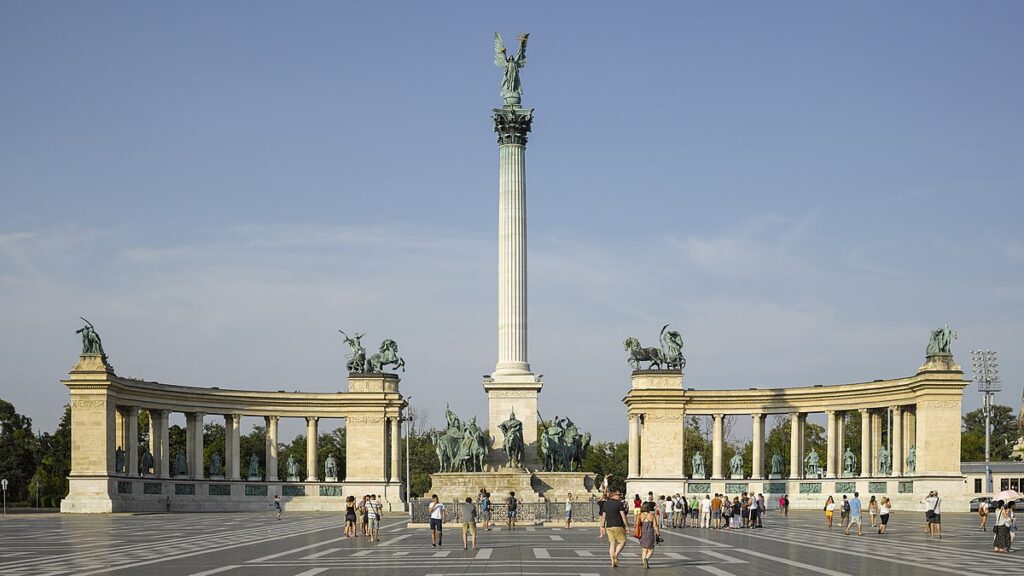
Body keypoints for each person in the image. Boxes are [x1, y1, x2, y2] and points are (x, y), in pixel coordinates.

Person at [601, 491, 629, 567]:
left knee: (612, 543)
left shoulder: (605, 504)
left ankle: (613, 562)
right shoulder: (619, 504)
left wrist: (602, 526)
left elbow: (603, 516)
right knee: (623, 541)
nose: (620, 496)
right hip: (618, 525)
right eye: (618, 495)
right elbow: (623, 516)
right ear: (614, 496)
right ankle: (615, 555)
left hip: (609, 526)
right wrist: (626, 525)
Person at [637, 501, 660, 569]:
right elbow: (655, 526)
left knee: (644, 549)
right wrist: (658, 533)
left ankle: (644, 562)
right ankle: (646, 559)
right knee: (651, 549)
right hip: (650, 534)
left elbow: (637, 524)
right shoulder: (651, 515)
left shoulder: (640, 515)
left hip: (642, 534)